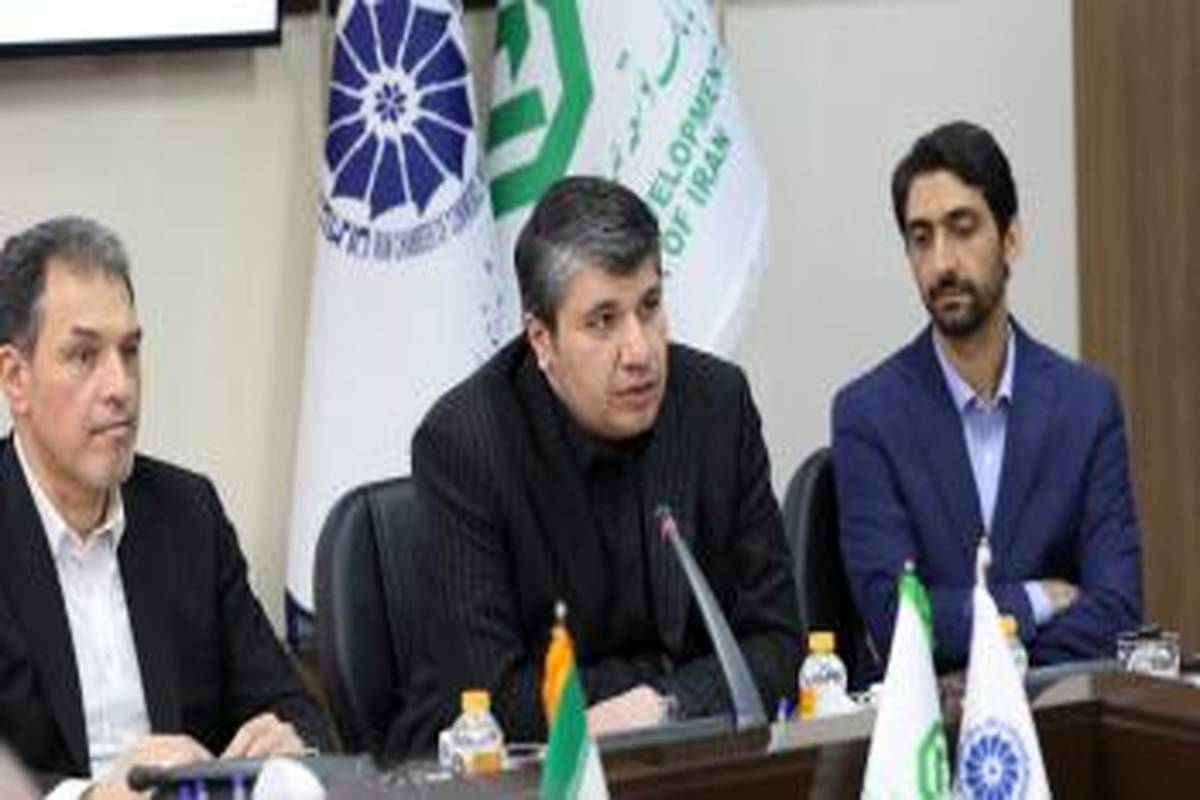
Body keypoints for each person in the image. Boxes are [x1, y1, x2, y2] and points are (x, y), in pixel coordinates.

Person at [388, 176, 801, 755]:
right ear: (542, 340)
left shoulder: (716, 407)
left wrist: (665, 703)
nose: (640, 351)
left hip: (687, 763)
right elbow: (495, 699)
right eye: (603, 321)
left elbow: (777, 642)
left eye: (650, 307)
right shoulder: (466, 445)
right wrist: (669, 684)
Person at [0, 217, 331, 798]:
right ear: (16, 378)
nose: (120, 386)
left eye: (129, 351)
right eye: (84, 356)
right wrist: (91, 797)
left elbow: (296, 709)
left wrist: (290, 744)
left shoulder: (188, 514)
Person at [832, 121, 1142, 684]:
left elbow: (1116, 615)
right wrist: (1036, 600)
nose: (941, 263)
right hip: (929, 730)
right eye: (921, 238)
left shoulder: (1087, 407)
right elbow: (896, 623)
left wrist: (985, 666)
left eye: (962, 228)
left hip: (1057, 721)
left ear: (1011, 239)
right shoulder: (868, 415)